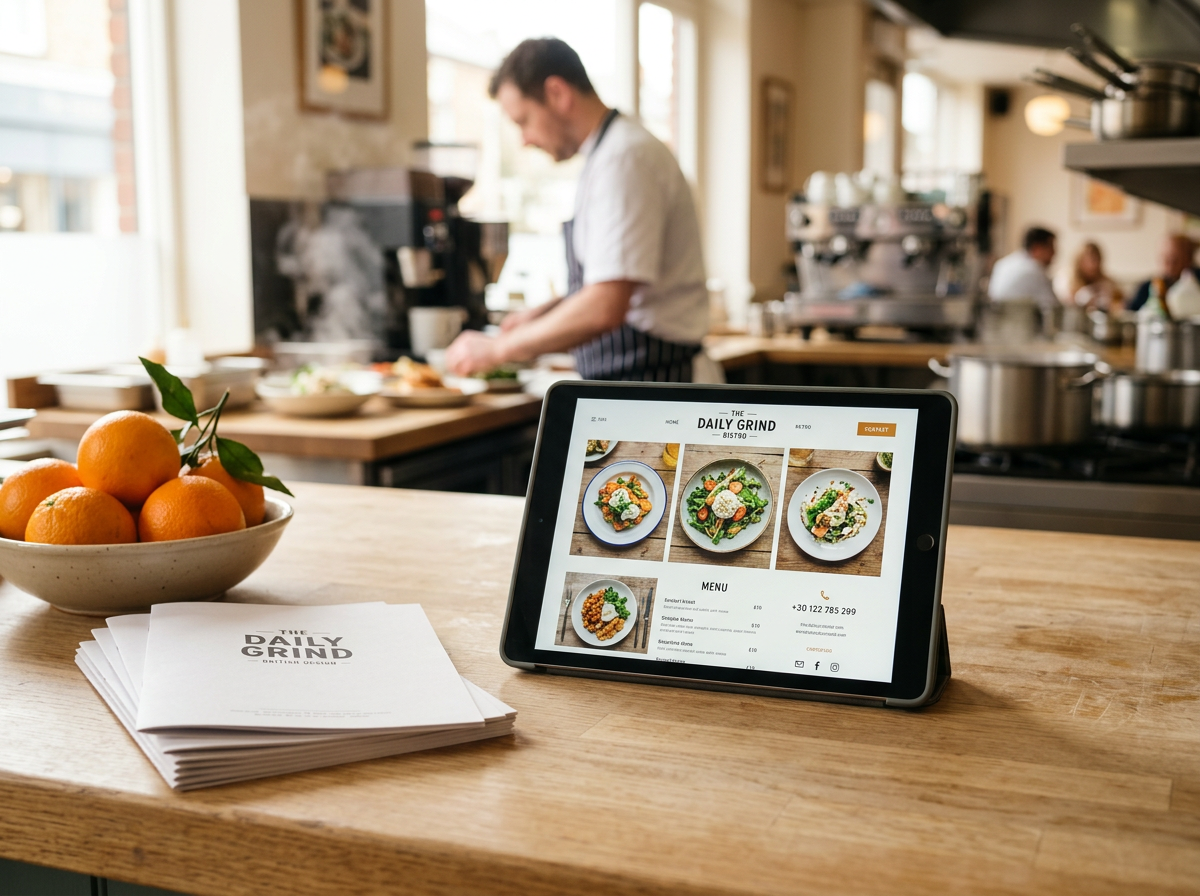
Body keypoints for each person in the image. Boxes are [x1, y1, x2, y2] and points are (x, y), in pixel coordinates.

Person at [444, 38, 711, 382]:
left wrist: (497, 350)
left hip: (659, 384)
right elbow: (606, 282)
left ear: (557, 93)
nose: (525, 139)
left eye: (523, 120)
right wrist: (540, 315)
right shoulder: (607, 155)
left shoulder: (624, 158)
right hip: (634, 378)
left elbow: (605, 306)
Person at [1127, 234, 1200, 315]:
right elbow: (1129, 314)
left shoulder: (1196, 282)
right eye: (1163, 257)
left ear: (1189, 258)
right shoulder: (1147, 287)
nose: (1166, 263)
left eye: (1173, 258)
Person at [987, 226, 1058, 308]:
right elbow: (1053, 306)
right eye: (1052, 248)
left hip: (996, 319)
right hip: (1022, 319)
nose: (1054, 253)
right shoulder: (1035, 271)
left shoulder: (1002, 264)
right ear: (1037, 248)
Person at [1054, 241, 1122, 312]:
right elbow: (1064, 304)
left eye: (1096, 260)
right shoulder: (1065, 279)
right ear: (1079, 261)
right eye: (1089, 260)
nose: (1093, 265)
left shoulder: (1106, 283)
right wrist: (1080, 298)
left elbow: (1119, 303)